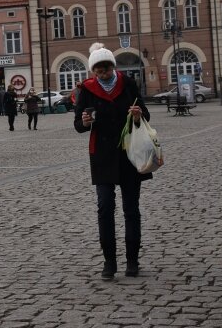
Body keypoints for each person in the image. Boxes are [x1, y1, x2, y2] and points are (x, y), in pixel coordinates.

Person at [74, 42, 150, 281]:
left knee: (131, 209)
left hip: (129, 153)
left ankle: (132, 260)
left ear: (112, 67)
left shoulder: (127, 84)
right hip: (102, 156)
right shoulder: (86, 89)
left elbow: (145, 114)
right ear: (93, 70)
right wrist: (85, 122)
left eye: (106, 68)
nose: (102, 73)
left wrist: (138, 115)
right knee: (105, 207)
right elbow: (78, 125)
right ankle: (109, 261)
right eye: (98, 69)